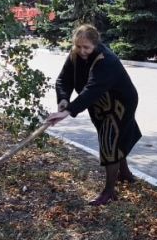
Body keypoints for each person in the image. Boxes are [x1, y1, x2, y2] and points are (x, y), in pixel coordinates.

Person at [47, 24, 141, 206]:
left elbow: (92, 89)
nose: (82, 51)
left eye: (86, 47)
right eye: (78, 46)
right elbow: (63, 79)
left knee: (109, 142)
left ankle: (108, 192)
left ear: (96, 44)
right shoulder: (75, 54)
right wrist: (64, 99)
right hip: (99, 103)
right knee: (111, 139)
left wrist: (68, 112)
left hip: (120, 102)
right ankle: (125, 174)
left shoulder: (107, 60)